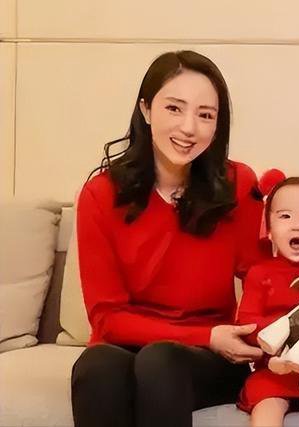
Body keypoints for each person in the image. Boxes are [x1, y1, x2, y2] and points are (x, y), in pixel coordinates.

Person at [71, 50, 267, 427]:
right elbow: (107, 318)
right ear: (146, 110)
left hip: (205, 358)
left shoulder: (238, 184)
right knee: (97, 366)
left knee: (160, 360)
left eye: (205, 115)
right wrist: (206, 334)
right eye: (174, 108)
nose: (189, 128)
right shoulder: (100, 195)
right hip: (135, 345)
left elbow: (261, 277)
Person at [236, 176, 299, 427]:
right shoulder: (260, 272)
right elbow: (246, 324)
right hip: (273, 369)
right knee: (266, 411)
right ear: (269, 230)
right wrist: (287, 330)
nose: (297, 226)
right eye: (285, 216)